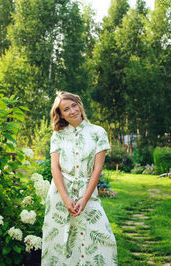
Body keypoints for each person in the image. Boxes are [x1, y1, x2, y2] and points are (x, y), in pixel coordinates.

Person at [41, 91, 118, 265]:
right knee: (60, 244)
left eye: (74, 105)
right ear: (60, 115)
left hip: (88, 193)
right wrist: (66, 198)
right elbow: (55, 168)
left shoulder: (98, 132)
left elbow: (97, 170)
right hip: (60, 195)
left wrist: (85, 199)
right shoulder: (57, 135)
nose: (72, 111)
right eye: (66, 109)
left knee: (105, 240)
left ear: (80, 104)